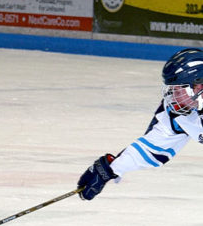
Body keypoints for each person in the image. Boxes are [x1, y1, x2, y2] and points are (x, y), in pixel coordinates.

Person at [78, 48, 203, 200]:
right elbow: (154, 147)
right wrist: (112, 168)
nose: (173, 96)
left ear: (199, 86)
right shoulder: (179, 111)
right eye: (173, 90)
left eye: (179, 90)